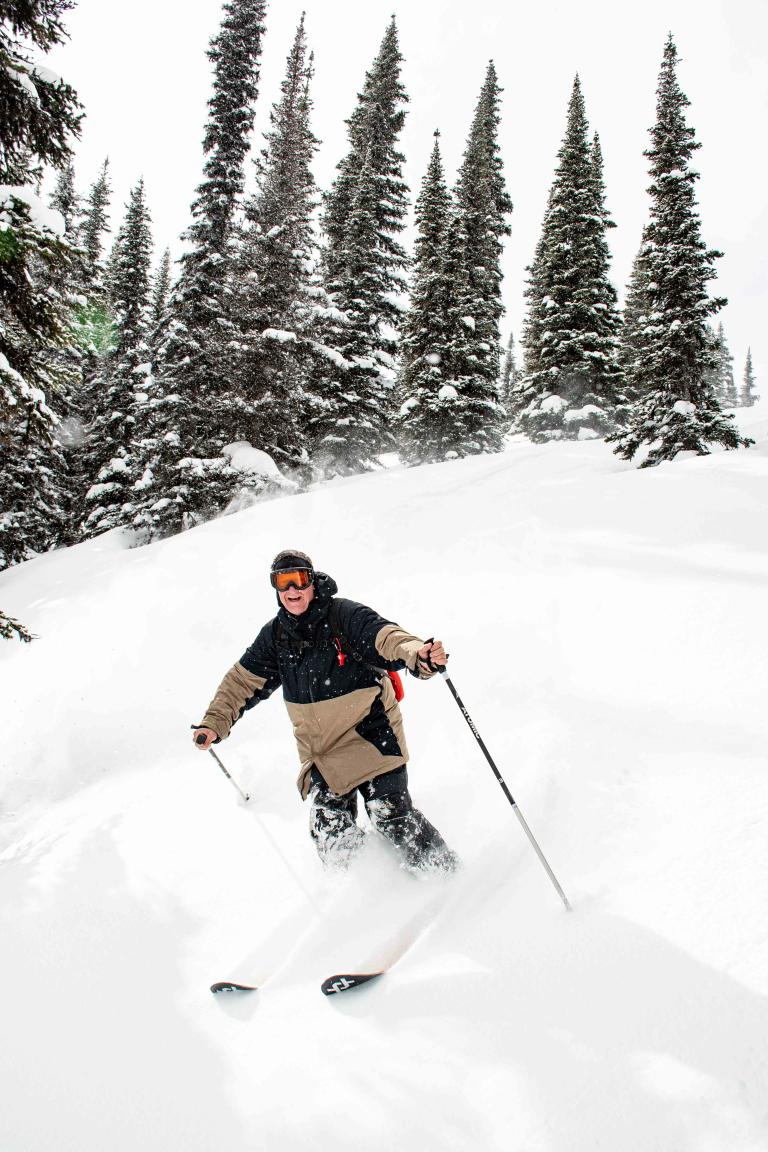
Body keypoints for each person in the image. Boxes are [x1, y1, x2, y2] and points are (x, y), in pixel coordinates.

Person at [193, 550, 458, 873]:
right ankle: (371, 892)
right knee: (329, 831)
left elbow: (387, 638)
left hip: (372, 736)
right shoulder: (276, 636)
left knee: (390, 817)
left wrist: (420, 654)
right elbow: (241, 682)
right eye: (283, 582)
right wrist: (214, 722)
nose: (292, 590)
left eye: (298, 579)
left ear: (312, 581)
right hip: (324, 753)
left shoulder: (343, 616)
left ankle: (446, 877)